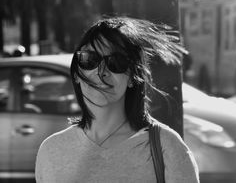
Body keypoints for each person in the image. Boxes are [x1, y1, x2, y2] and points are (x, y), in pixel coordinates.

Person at [35, 17, 199, 183]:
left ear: (132, 78)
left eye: (116, 62)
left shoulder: (167, 148)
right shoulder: (51, 150)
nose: (101, 72)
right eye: (89, 59)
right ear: (76, 73)